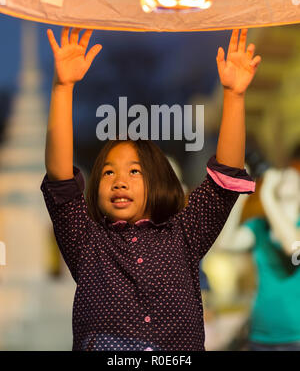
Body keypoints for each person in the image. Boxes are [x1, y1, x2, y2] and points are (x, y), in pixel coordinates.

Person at [40, 26, 260, 351]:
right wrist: (63, 87)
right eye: (109, 172)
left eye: (134, 171)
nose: (120, 180)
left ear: (158, 181)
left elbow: (222, 180)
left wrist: (235, 95)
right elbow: (60, 179)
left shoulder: (185, 235)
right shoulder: (86, 243)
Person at [215, 164, 300, 351]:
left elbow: (293, 248)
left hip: (296, 336)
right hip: (260, 335)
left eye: (292, 176)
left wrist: (267, 195)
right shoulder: (259, 226)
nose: (283, 175)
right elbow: (224, 244)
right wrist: (238, 192)